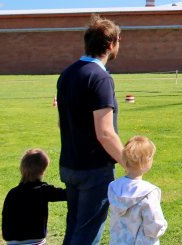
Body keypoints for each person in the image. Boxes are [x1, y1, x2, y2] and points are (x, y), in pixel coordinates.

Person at [57, 15, 124, 244]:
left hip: (69, 164)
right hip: (93, 169)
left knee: (74, 228)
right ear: (113, 42)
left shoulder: (67, 74)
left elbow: (62, 121)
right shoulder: (100, 78)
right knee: (86, 236)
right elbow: (105, 132)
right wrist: (128, 161)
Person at [108, 136, 168, 244]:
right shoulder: (148, 192)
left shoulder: (113, 187)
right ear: (147, 162)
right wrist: (161, 228)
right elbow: (154, 225)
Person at [2, 148, 67, 245]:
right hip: (34, 241)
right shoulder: (43, 190)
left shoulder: (12, 193)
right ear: (42, 171)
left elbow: (5, 218)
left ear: (22, 168)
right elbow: (67, 195)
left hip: (11, 241)